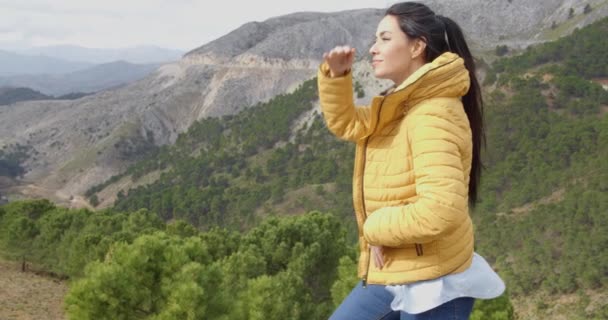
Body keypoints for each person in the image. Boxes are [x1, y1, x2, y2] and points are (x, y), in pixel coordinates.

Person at [317, 2, 505, 319]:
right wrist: (336, 77)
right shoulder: (403, 104)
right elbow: (348, 124)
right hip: (395, 266)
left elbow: (440, 210)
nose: (373, 49)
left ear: (417, 46)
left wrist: (375, 229)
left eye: (385, 39)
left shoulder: (433, 114)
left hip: (437, 281)